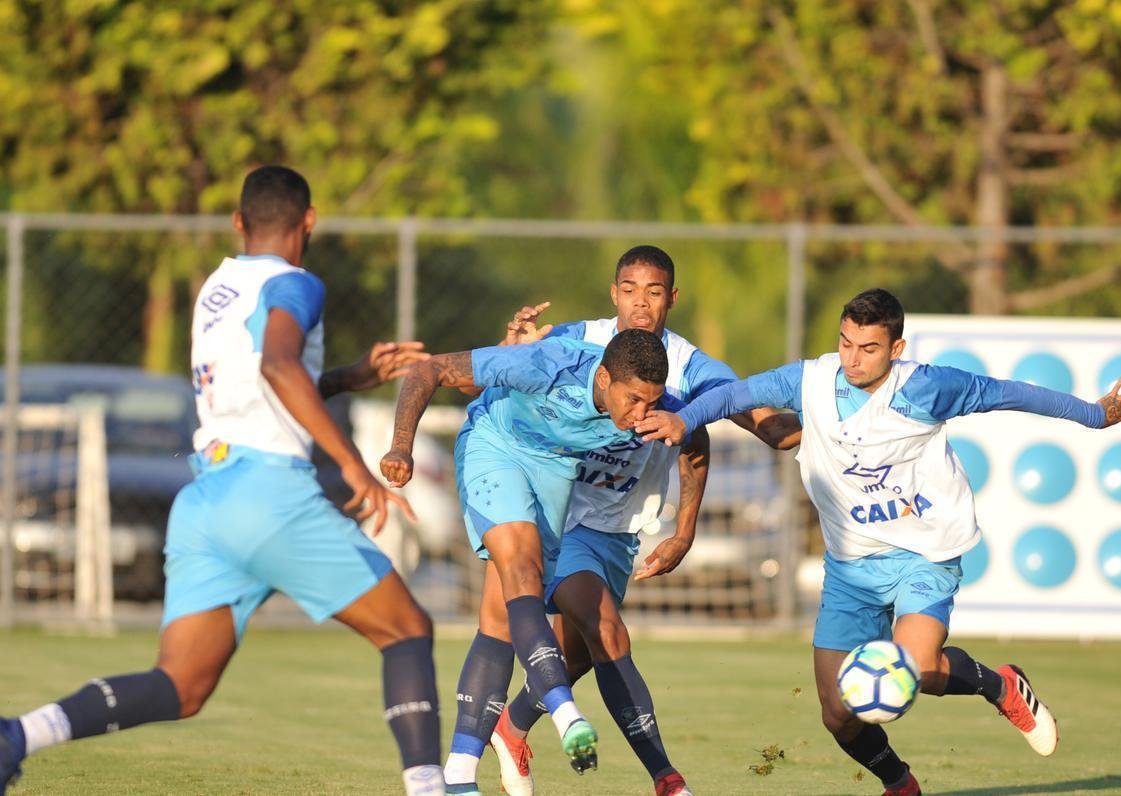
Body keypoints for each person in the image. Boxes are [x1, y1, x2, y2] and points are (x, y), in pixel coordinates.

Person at [0, 165, 445, 796]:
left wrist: (348, 376)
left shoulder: (218, 285)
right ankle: (431, 788)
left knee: (178, 687)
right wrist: (352, 464)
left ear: (238, 223)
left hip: (206, 499)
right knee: (407, 630)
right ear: (309, 221)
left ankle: (17, 737)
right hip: (269, 495)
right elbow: (278, 363)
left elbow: (265, 380)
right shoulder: (298, 282)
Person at [635, 288, 1121, 796]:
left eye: (868, 348)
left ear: (896, 349)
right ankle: (900, 784)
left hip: (924, 553)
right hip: (851, 567)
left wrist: (1092, 414)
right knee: (838, 714)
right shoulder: (811, 380)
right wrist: (686, 419)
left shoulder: (927, 389)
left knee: (918, 669)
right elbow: (737, 394)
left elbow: (1008, 392)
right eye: (846, 343)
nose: (852, 359)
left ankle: (1001, 686)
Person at [478, 245, 803, 796]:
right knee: (608, 631)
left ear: (672, 298)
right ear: (614, 293)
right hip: (559, 521)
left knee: (578, 655)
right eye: (629, 290)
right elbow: (507, 370)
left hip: (619, 533)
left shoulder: (693, 369)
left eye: (654, 292)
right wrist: (512, 348)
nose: (640, 304)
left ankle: (511, 728)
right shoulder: (580, 340)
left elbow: (748, 435)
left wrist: (685, 530)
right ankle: (668, 779)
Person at [379, 326, 674, 796]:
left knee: (499, 619)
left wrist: (688, 527)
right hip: (493, 446)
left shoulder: (650, 405)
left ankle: (456, 776)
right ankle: (566, 715)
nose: (643, 414)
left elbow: (701, 427)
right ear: (603, 379)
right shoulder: (545, 365)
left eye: (651, 403)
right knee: (524, 572)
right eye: (635, 400)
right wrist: (401, 445)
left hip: (553, 468)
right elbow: (428, 368)